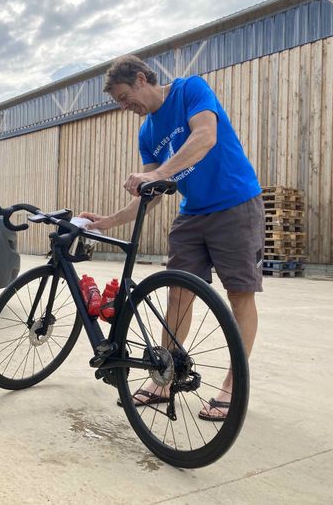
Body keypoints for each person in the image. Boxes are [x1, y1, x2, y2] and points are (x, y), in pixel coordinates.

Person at [80, 55, 264, 421]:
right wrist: (106, 223)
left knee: (238, 294)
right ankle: (165, 379)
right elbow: (151, 193)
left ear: (142, 78)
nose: (123, 106)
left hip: (235, 204)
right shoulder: (147, 132)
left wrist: (161, 172)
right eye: (118, 101)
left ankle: (233, 386)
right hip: (193, 212)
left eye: (123, 96)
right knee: (178, 292)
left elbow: (205, 136)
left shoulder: (189, 90)